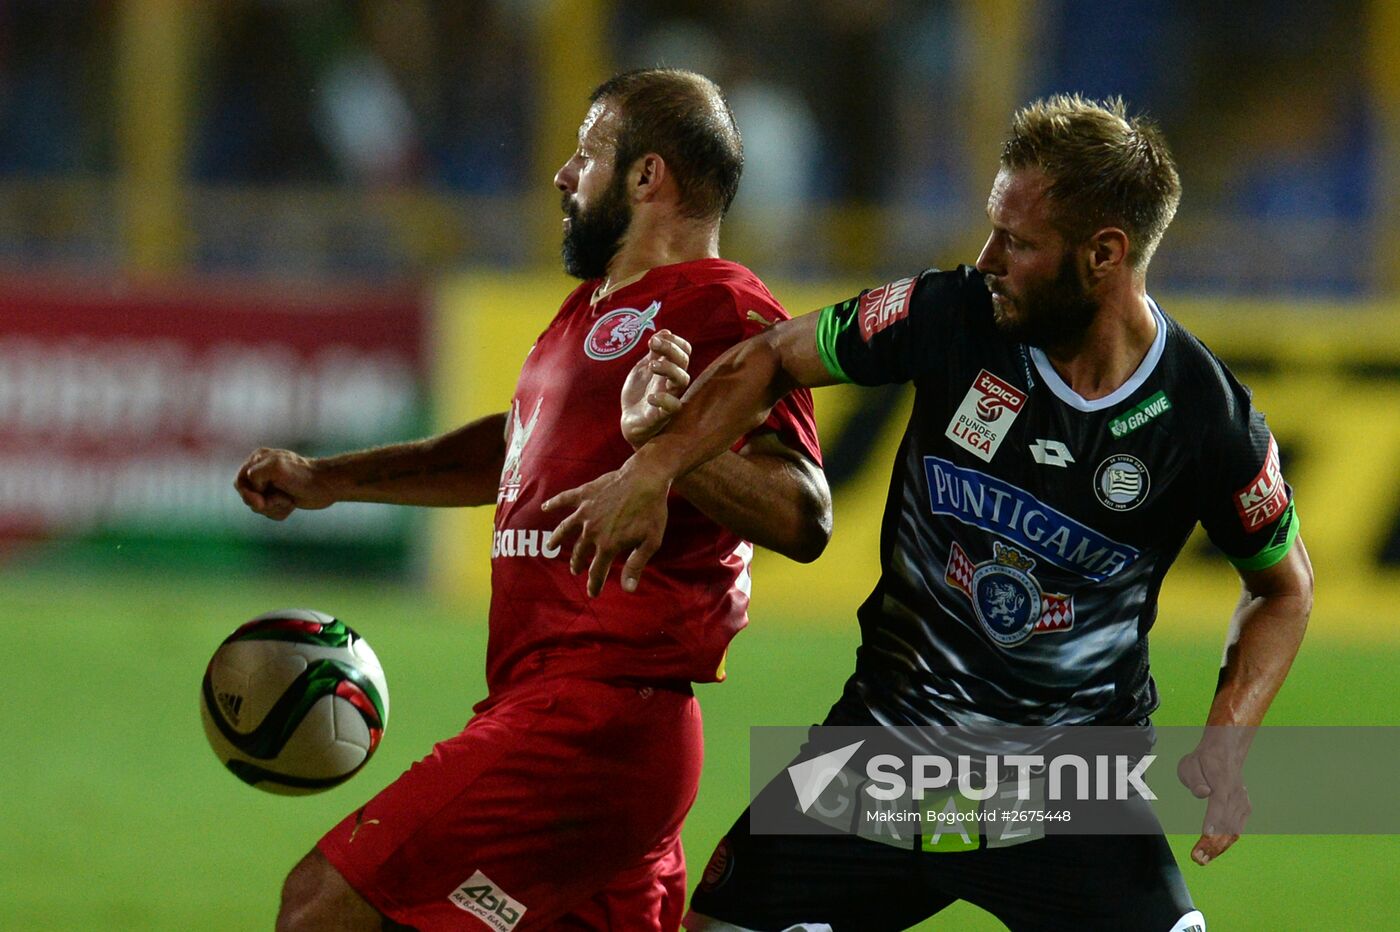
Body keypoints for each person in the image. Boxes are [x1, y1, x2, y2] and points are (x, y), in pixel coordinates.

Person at [544, 94, 1314, 931]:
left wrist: (1230, 739)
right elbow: (771, 356)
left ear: (1104, 255)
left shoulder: (1204, 418)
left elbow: (1284, 589)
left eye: (1016, 243)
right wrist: (654, 467)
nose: (985, 256)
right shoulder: (950, 315)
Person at [234, 68, 830, 931]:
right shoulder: (583, 312)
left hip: (593, 717)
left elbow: (802, 514)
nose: (562, 174)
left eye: (586, 153)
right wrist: (332, 481)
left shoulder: (723, 306)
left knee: (321, 905)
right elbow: (511, 449)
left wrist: (665, 451)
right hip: (569, 717)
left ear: (645, 177)